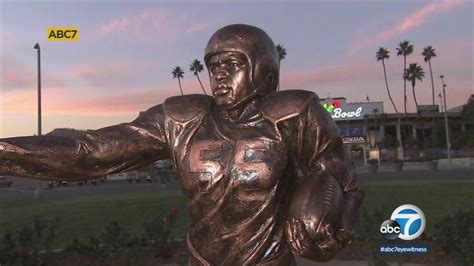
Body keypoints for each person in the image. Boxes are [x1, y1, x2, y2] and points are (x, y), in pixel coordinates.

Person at [0, 24, 363, 265]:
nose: (219, 75)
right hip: (202, 258)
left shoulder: (295, 116)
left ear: (262, 70)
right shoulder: (182, 120)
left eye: (233, 64)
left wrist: (334, 225)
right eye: (213, 66)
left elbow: (342, 180)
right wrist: (4, 152)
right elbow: (89, 151)